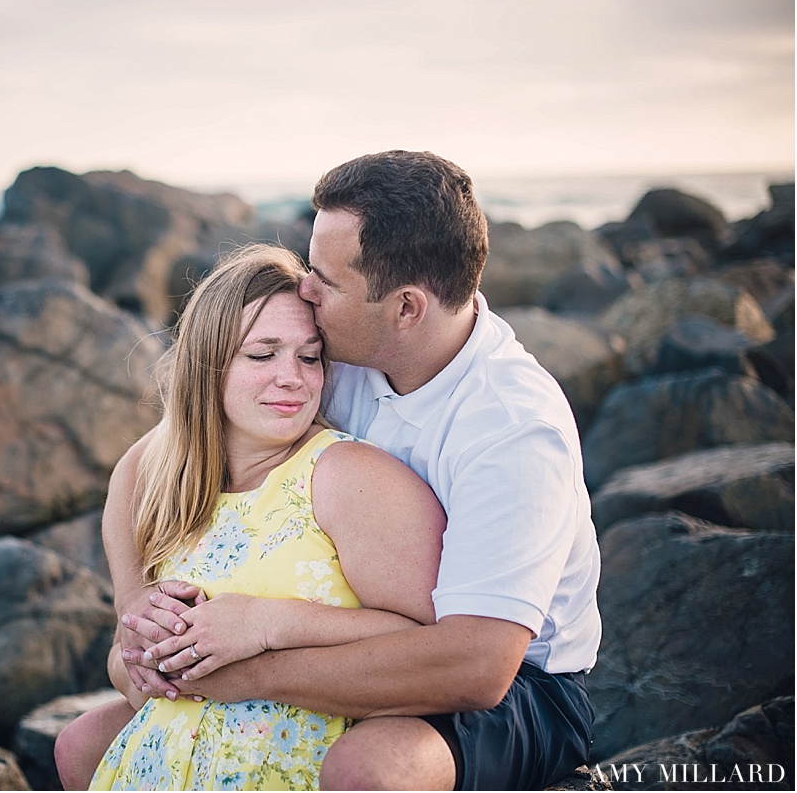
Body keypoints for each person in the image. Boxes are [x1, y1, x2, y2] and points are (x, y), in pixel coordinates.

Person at [59, 150, 602, 791]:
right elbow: (155, 453)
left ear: (406, 308)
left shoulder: (511, 429)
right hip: (351, 632)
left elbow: (477, 668)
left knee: (367, 768)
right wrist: (134, 603)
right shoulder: (336, 351)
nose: (305, 289)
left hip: (518, 684)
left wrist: (253, 656)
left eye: (325, 278)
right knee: (88, 741)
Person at [66, 243, 446, 790]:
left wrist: (269, 625)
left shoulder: (346, 476)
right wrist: (143, 657)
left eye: (309, 356)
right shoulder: (162, 478)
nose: (291, 377)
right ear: (208, 362)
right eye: (262, 354)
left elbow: (429, 643)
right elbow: (127, 664)